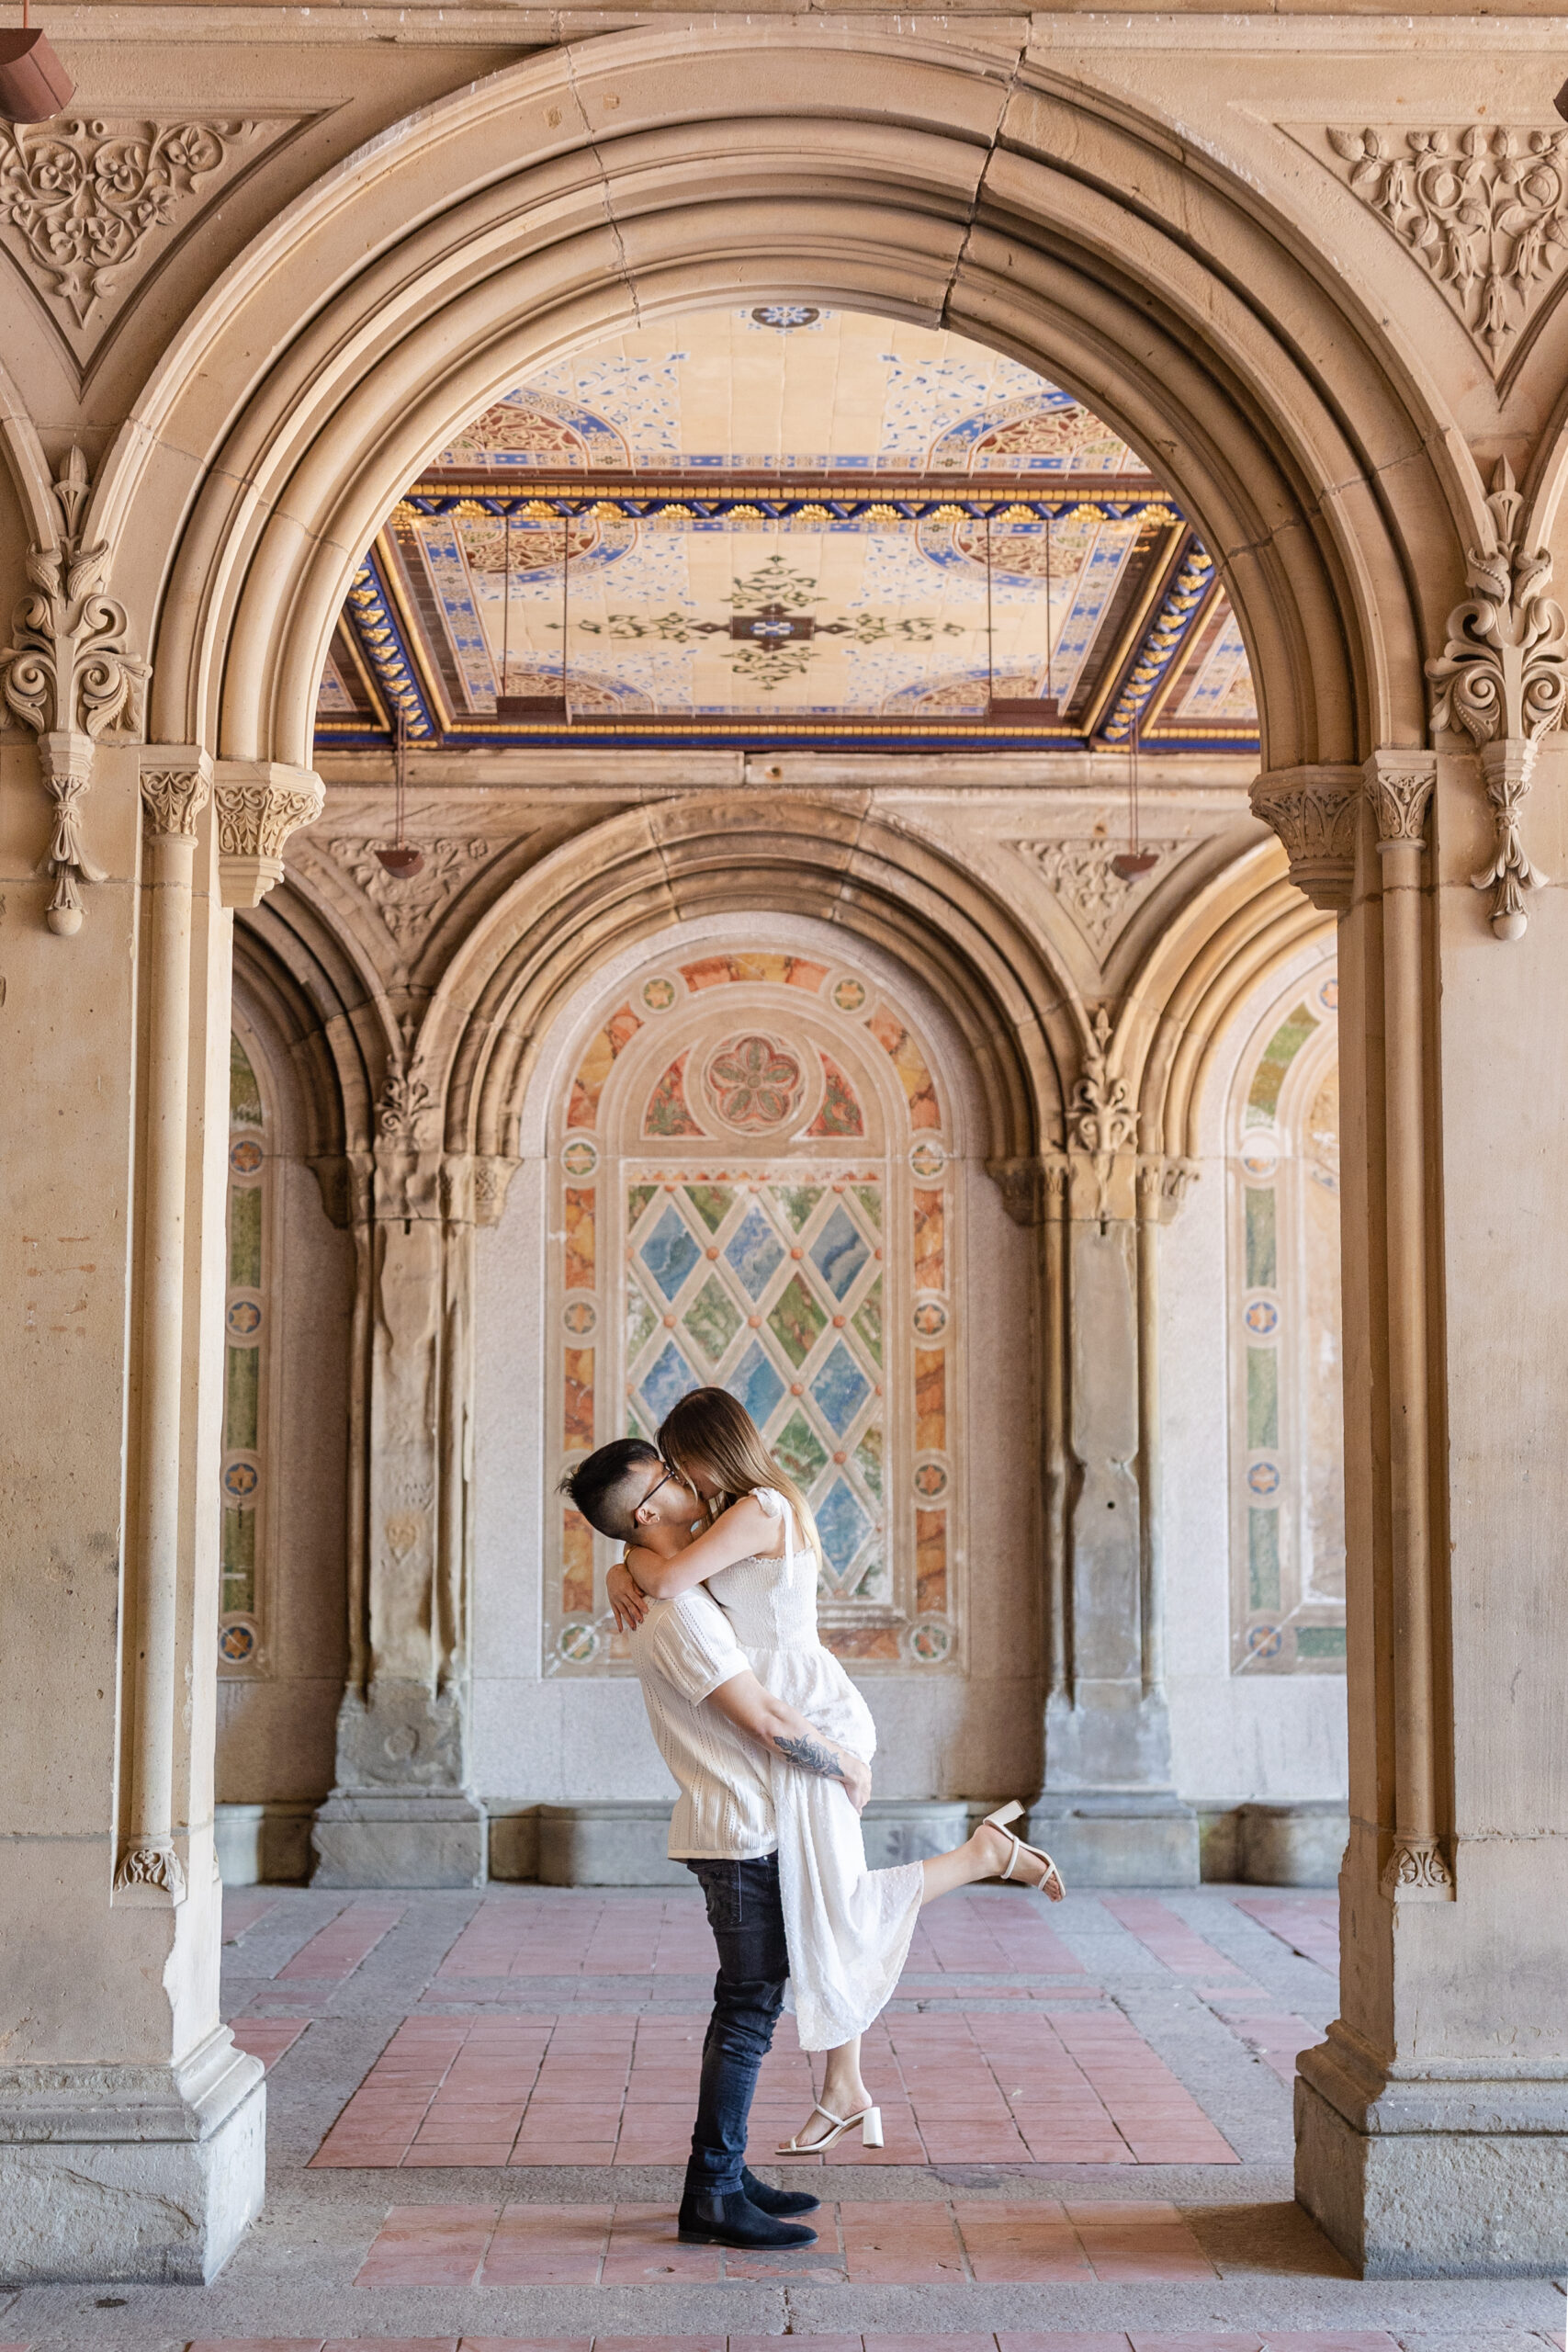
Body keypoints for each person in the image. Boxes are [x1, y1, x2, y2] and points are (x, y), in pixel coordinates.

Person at [603, 1386, 1064, 2161]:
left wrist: (627, 1566)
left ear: (712, 1447)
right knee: (822, 1902)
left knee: (835, 1905)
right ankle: (841, 2092)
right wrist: (623, 1562)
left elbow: (674, 1580)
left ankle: (984, 1856)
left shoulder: (761, 1507)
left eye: (681, 1460)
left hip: (808, 1718)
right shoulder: (731, 1513)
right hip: (786, 1717)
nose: (680, 1476)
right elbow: (668, 1565)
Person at [558, 1434, 873, 2251]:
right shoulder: (680, 1614)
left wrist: (621, 1570)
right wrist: (846, 1766)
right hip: (738, 1833)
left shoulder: (679, 1588)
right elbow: (765, 1720)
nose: (688, 1479)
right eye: (668, 1474)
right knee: (745, 2014)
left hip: (740, 1825)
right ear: (648, 1508)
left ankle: (726, 2174)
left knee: (751, 2007)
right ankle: (712, 2192)